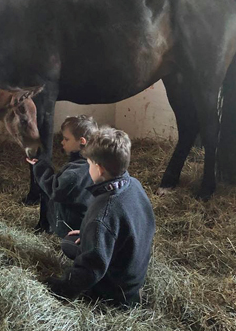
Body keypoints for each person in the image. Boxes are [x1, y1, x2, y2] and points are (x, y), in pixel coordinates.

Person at [46, 126, 155, 307]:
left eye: (89, 164)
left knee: (67, 245)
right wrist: (89, 235)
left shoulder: (104, 211)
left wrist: (59, 290)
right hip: (133, 271)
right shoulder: (133, 185)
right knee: (72, 242)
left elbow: (90, 271)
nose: (88, 168)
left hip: (115, 294)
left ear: (99, 168)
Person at [26, 115, 98, 237]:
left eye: (66, 139)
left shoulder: (76, 172)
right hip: (88, 221)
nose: (62, 142)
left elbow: (55, 189)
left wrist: (40, 168)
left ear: (82, 141)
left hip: (70, 227)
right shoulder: (96, 164)